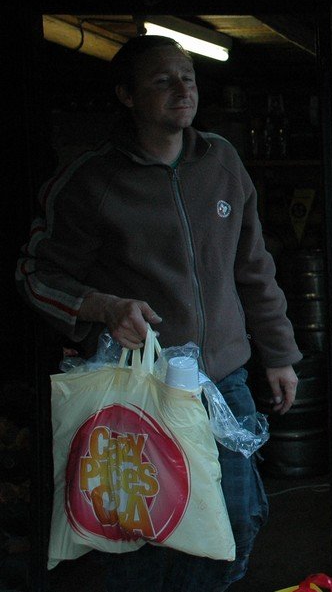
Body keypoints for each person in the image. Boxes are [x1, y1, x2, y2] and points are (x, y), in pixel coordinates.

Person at [15, 35, 301, 591]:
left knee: (237, 522)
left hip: (222, 382)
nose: (182, 90)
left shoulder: (221, 161)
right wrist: (104, 307)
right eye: (162, 81)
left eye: (188, 78)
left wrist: (279, 354)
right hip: (137, 390)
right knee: (143, 531)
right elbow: (35, 274)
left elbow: (253, 267)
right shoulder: (91, 180)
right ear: (126, 95)